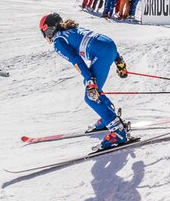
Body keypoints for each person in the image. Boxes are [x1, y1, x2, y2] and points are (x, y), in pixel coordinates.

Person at [38, 13, 131, 150]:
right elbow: (104, 42)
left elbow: (76, 61)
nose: (45, 36)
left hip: (102, 53)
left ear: (49, 28)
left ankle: (118, 132)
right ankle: (108, 116)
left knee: (90, 97)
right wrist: (119, 61)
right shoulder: (70, 30)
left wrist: (90, 79)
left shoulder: (59, 41)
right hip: (109, 47)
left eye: (44, 32)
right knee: (91, 88)